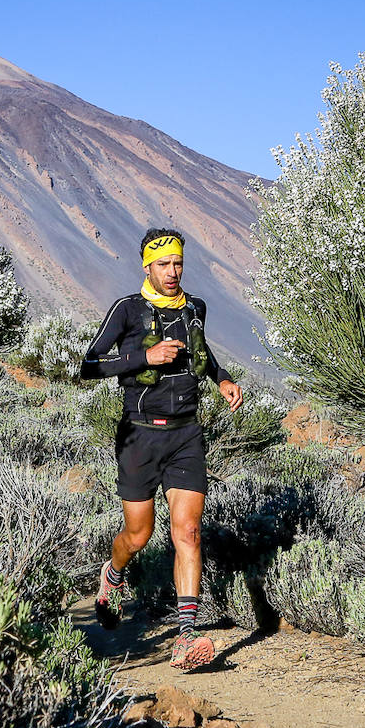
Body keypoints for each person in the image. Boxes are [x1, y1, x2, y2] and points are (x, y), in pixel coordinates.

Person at [79, 228, 243, 671]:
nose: (172, 272)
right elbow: (88, 365)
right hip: (138, 437)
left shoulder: (195, 308)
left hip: (186, 435)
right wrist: (142, 360)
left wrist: (222, 379)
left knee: (187, 532)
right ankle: (112, 577)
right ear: (147, 267)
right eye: (164, 264)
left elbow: (202, 352)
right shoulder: (127, 310)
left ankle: (186, 637)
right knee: (139, 535)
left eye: (178, 263)